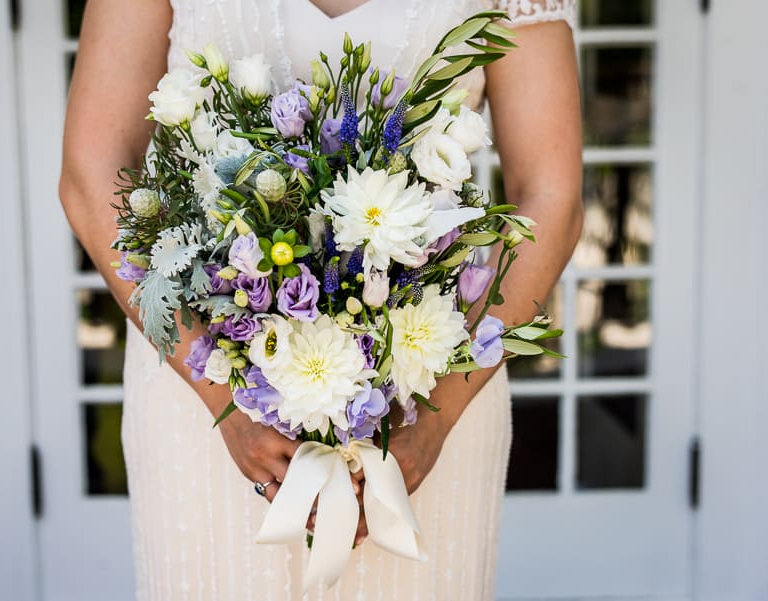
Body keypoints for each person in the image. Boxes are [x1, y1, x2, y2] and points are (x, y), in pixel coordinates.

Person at [60, 0, 582, 598]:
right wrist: (220, 391)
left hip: (432, 383)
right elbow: (91, 172)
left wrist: (433, 421)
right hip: (200, 389)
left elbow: (552, 195)